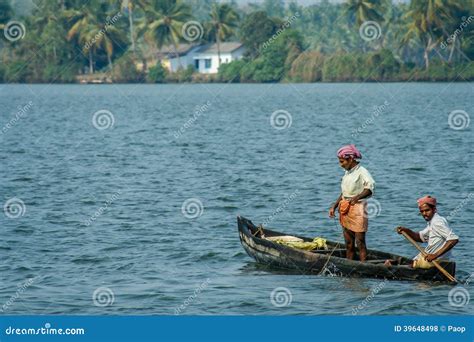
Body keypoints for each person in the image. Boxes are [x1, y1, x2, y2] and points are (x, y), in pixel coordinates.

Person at [329, 144, 375, 261]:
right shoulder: (347, 172)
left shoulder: (362, 171)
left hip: (358, 208)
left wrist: (357, 197)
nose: (341, 165)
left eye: (342, 161)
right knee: (349, 243)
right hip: (345, 207)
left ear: (350, 159)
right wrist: (334, 206)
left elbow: (370, 189)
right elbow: (345, 193)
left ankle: (363, 266)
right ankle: (350, 265)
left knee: (360, 242)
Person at [385, 195, 459, 268]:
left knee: (403, 264)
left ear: (434, 209)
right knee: (412, 260)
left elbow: (453, 239)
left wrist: (435, 255)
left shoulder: (437, 222)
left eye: (427, 210)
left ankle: (393, 265)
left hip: (434, 262)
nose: (424, 214)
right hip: (435, 260)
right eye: (422, 211)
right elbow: (419, 237)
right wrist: (406, 230)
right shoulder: (433, 222)